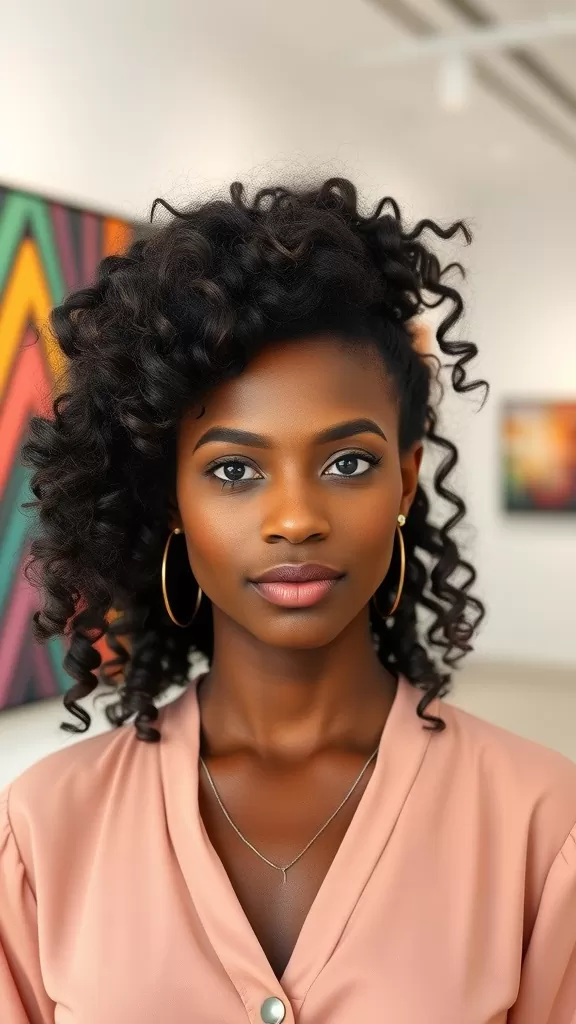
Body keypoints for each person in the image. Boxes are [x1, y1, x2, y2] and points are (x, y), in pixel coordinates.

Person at [1, 180, 575, 1024]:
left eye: (347, 463)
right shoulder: (44, 832)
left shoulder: (542, 822)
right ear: (172, 502)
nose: (298, 518)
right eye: (234, 470)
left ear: (406, 482)